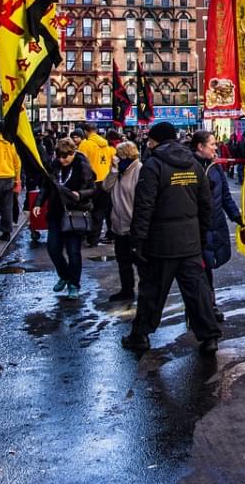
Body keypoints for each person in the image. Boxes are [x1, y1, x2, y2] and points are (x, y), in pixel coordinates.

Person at [123, 122, 220, 355]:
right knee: (198, 292)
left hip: (161, 243)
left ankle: (141, 335)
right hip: (190, 242)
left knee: (152, 292)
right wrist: (200, 234)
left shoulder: (153, 165)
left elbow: (144, 206)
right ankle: (209, 337)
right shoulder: (194, 165)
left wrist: (137, 241)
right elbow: (206, 205)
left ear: (156, 141)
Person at [192, 131, 243, 322]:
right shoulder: (189, 167)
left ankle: (208, 306)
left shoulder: (215, 168)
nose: (215, 147)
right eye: (212, 144)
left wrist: (237, 217)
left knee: (208, 269)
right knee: (200, 271)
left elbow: (226, 197)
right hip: (195, 228)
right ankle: (205, 309)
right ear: (200, 146)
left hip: (216, 224)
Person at [40, 138, 95, 299]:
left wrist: (80, 194)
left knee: (73, 252)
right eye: (59, 156)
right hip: (56, 213)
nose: (62, 160)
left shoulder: (82, 166)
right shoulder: (54, 166)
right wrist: (37, 204)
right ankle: (64, 275)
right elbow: (46, 186)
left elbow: (93, 189)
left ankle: (74, 284)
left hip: (75, 214)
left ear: (72, 153)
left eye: (65, 157)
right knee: (53, 248)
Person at [102, 141, 142, 303]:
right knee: (123, 262)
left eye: (118, 155)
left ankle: (147, 293)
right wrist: (113, 170)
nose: (115, 158)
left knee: (140, 262)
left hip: (133, 225)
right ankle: (127, 290)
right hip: (118, 224)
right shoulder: (118, 171)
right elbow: (106, 187)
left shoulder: (139, 170)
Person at [79, 123, 115, 246]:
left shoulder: (85, 144)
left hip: (91, 182)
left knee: (88, 209)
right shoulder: (105, 144)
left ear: (85, 131)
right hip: (105, 182)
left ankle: (87, 235)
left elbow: (80, 163)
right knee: (100, 211)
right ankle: (94, 239)